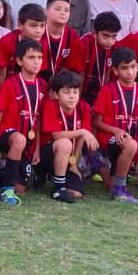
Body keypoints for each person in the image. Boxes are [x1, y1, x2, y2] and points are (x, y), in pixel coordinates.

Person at [0, 38, 47, 204]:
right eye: (31, 58)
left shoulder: (43, 85)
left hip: (28, 140)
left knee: (21, 189)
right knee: (19, 139)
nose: (36, 62)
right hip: (8, 136)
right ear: (20, 61)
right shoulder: (10, 84)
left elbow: (39, 119)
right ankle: (7, 190)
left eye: (39, 57)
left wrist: (37, 148)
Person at [37, 69, 99, 203]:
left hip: (67, 156)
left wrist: (74, 164)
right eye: (66, 92)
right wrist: (82, 131)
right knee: (65, 142)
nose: (72, 96)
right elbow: (56, 135)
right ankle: (58, 188)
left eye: (75, 92)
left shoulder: (84, 107)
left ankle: (57, 178)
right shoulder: (50, 105)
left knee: (77, 193)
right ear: (56, 94)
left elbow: (80, 139)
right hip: (47, 154)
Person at [91, 47, 138, 203]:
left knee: (109, 185)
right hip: (110, 139)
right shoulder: (108, 90)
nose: (129, 72)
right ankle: (120, 189)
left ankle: (100, 168)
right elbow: (96, 121)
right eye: (124, 68)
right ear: (115, 71)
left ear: (137, 67)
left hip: (129, 143)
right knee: (131, 145)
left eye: (133, 67)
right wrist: (115, 130)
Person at [77, 11, 123, 101]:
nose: (110, 41)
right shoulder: (83, 44)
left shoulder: (115, 47)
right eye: (105, 36)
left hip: (98, 90)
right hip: (81, 89)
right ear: (95, 33)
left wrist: (102, 100)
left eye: (114, 37)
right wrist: (77, 102)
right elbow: (79, 75)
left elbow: (107, 74)